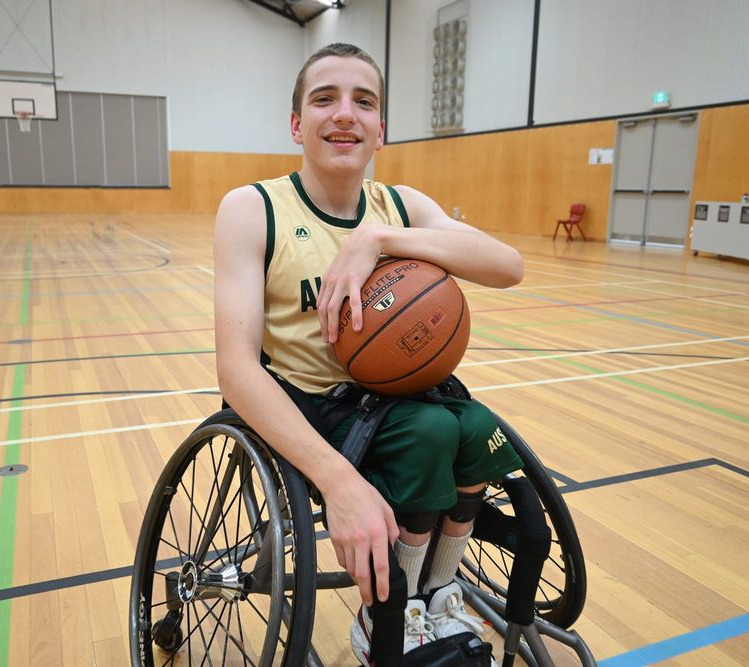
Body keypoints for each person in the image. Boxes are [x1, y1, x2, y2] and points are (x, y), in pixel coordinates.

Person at [213, 43, 524, 665]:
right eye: (324, 99)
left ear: (381, 128)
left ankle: (436, 591)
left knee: (473, 427)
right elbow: (236, 369)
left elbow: (508, 266)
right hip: (309, 406)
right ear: (296, 123)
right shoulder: (252, 208)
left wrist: (378, 238)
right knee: (430, 433)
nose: (344, 114)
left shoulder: (401, 206)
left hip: (390, 399)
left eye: (364, 101)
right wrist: (338, 481)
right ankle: (386, 611)